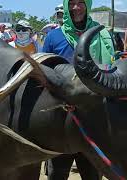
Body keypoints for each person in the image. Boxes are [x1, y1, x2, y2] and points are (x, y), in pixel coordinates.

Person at [43, 0, 115, 179]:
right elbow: (43, 72)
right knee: (57, 173)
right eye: (71, 3)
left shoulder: (102, 34)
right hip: (60, 117)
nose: (76, 8)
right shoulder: (54, 37)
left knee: (92, 173)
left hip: (94, 116)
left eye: (80, 3)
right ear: (66, 7)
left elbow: (112, 71)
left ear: (88, 5)